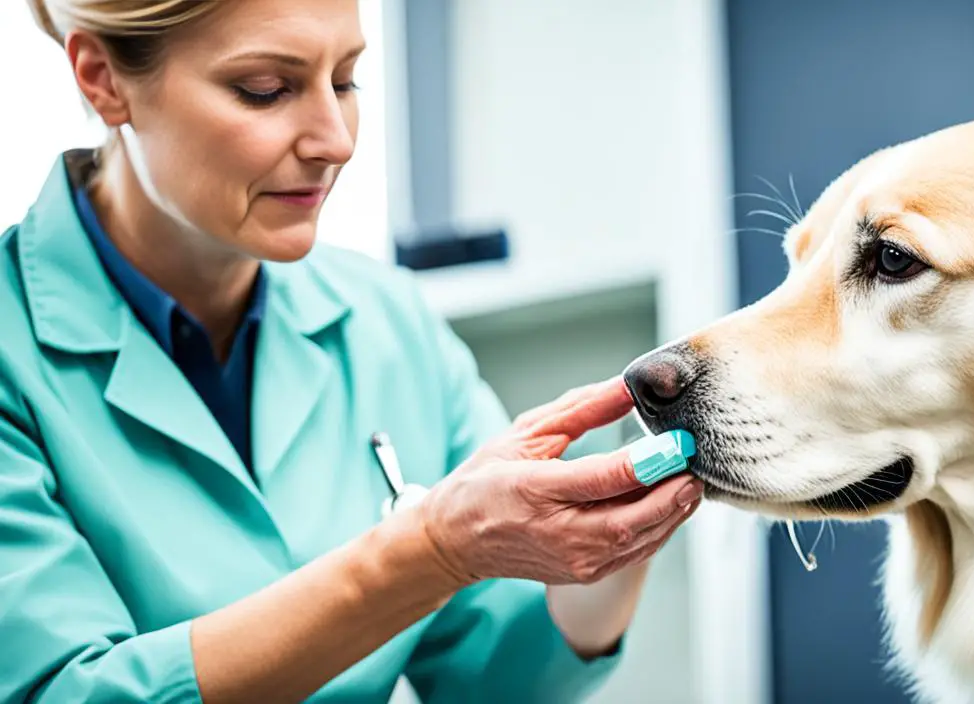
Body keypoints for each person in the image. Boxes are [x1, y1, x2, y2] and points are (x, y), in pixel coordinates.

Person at [0, 1, 703, 702]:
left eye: (344, 81)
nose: (335, 141)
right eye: (266, 90)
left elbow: (492, 677)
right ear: (102, 80)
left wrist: (612, 541)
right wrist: (427, 553)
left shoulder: (386, 322)